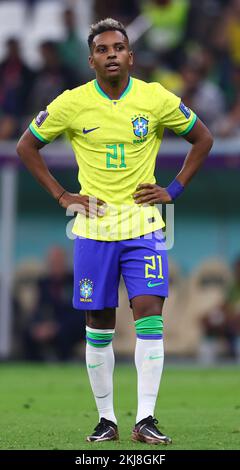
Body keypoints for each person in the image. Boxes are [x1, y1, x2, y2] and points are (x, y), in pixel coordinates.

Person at [16, 18, 213, 445]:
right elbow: (26, 146)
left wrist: (174, 188)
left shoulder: (155, 98)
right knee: (99, 325)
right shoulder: (71, 103)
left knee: (149, 318)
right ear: (91, 60)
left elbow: (203, 138)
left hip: (144, 228)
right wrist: (61, 195)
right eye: (102, 49)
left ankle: (145, 419)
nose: (111, 54)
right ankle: (107, 420)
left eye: (118, 47)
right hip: (93, 229)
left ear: (130, 55)